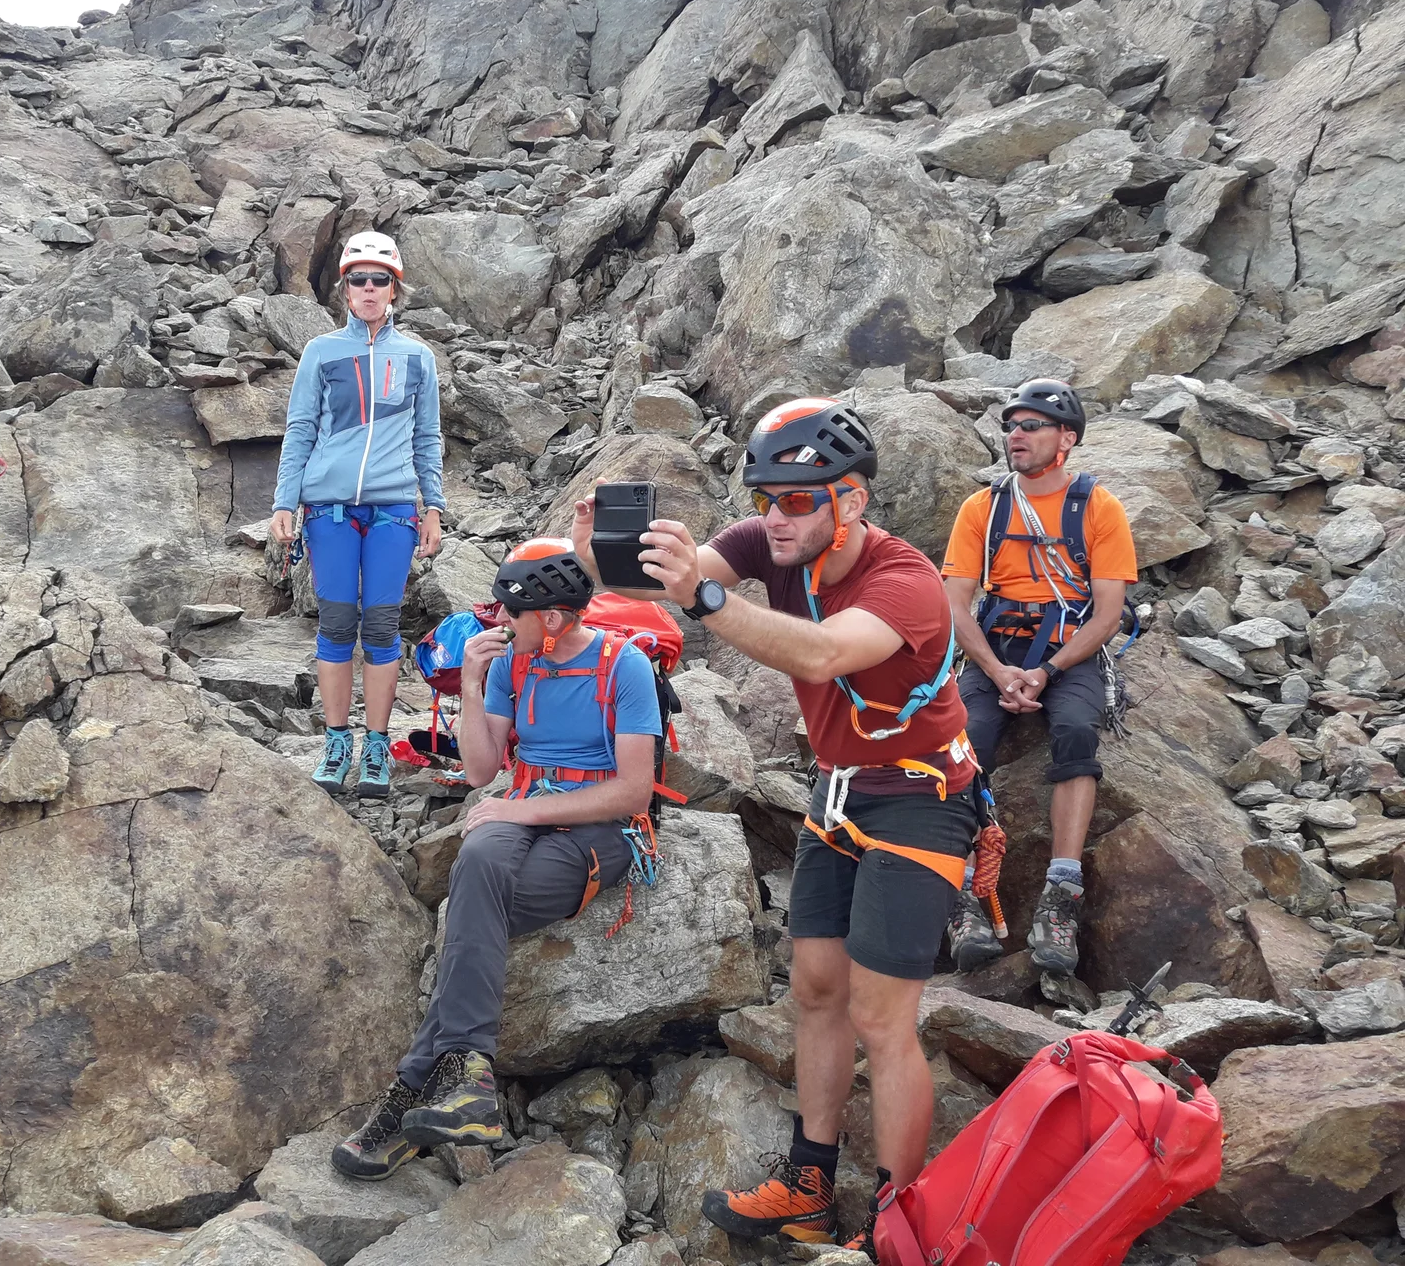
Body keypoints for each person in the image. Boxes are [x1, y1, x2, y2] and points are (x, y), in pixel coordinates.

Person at [576, 400, 977, 1251]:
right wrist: (604, 558)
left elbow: (822, 654)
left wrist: (704, 593)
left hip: (918, 800)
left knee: (881, 1017)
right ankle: (809, 1184)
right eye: (767, 496)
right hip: (836, 795)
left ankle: (900, 1225)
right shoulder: (774, 541)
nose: (775, 515)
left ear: (852, 502)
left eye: (799, 499)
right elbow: (667, 583)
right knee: (816, 993)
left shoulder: (904, 584)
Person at [331, 539, 661, 1180]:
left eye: (515, 614)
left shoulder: (624, 669)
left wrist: (523, 810)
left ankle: (408, 1102)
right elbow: (483, 769)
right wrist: (474, 684)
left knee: (473, 914)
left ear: (557, 618)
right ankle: (470, 1078)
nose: (502, 625)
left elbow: (633, 790)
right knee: (479, 852)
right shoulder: (513, 664)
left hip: (601, 829)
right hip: (526, 801)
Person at [939, 379, 1137, 977]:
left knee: (1076, 729)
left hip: (1067, 646)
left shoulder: (1098, 507)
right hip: (996, 644)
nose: (1016, 436)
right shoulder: (984, 507)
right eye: (1012, 426)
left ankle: (1061, 894)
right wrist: (999, 671)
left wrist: (1047, 670)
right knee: (965, 740)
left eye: (1032, 426)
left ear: (1067, 440)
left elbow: (1106, 614)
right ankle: (963, 890)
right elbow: (953, 606)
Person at [271, 231, 445, 796]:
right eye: (357, 279)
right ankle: (336, 740)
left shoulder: (418, 357)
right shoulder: (321, 352)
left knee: (383, 625)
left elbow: (428, 437)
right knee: (337, 624)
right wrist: (284, 500)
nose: (368, 289)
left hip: (394, 508)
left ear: (394, 288)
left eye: (379, 280)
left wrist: (434, 507)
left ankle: (376, 744)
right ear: (344, 289)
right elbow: (299, 429)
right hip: (329, 509)